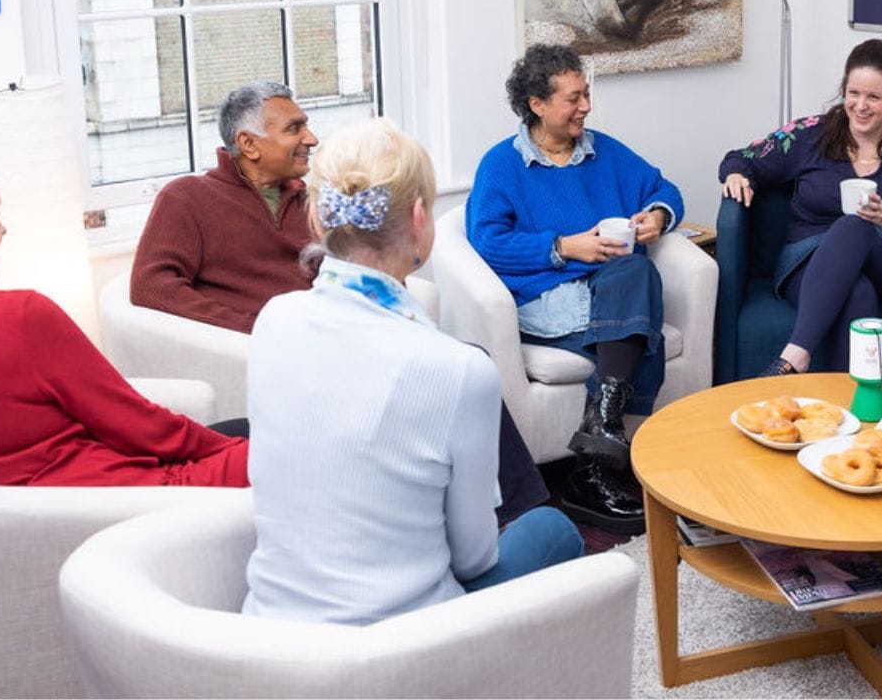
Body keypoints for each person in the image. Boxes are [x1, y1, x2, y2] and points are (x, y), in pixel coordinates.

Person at [242, 119, 583, 626]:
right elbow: (473, 558)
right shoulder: (460, 370)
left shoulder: (273, 320)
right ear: (421, 218)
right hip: (402, 645)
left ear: (317, 215)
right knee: (553, 529)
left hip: (273, 632)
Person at [465, 43, 685, 535]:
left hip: (610, 290)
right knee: (640, 314)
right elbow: (488, 242)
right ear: (537, 104)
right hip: (546, 298)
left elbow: (664, 188)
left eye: (586, 94)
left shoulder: (603, 150)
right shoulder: (502, 165)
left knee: (637, 275)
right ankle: (601, 459)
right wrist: (565, 247)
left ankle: (596, 449)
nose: (585, 106)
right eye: (573, 98)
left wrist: (657, 217)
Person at [0, 153, 248, 487]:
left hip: (45, 519)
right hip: (142, 494)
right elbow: (137, 424)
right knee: (288, 443)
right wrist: (232, 450)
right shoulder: (20, 316)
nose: (3, 227)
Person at [718, 38, 882, 375]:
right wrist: (736, 174)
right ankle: (846, 412)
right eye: (853, 93)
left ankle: (795, 354)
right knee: (856, 292)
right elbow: (742, 158)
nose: (860, 106)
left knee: (855, 223)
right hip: (806, 262)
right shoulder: (811, 134)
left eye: (873, 97)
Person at [130, 80, 318, 334]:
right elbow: (151, 287)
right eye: (294, 129)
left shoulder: (313, 201)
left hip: (323, 340)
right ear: (249, 145)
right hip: (250, 350)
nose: (312, 139)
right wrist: (256, 330)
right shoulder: (187, 197)